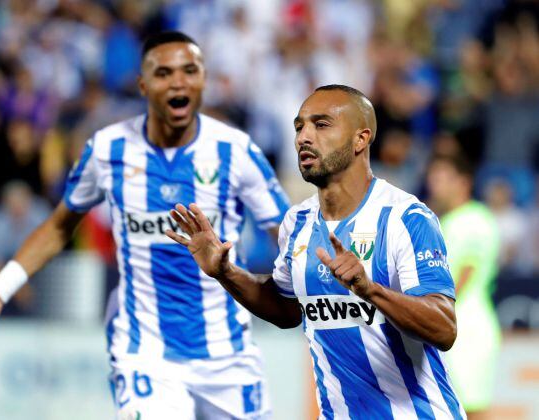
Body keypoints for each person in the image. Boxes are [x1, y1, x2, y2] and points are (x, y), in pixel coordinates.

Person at [0, 31, 289, 420]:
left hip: (228, 352)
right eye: (164, 73)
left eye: (189, 70)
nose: (178, 81)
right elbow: (60, 226)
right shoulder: (109, 149)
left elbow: (286, 233)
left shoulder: (237, 151)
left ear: (203, 79)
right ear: (142, 85)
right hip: (145, 353)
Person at [167, 85, 466, 419]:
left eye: (321, 125)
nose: (303, 138)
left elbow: (443, 328)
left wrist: (370, 290)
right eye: (299, 127)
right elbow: (286, 309)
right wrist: (225, 272)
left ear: (360, 139)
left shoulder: (404, 218)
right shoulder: (298, 222)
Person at [426, 154, 500, 420]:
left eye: (441, 178)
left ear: (463, 182)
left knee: (471, 411)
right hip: (446, 327)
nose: (434, 185)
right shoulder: (443, 221)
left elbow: (465, 274)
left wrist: (422, 314)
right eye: (432, 178)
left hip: (468, 331)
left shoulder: (477, 219)